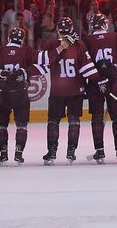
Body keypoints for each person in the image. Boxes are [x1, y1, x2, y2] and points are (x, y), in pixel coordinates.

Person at [37, 17, 99, 165]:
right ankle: (71, 152)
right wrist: (100, 80)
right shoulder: (79, 45)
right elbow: (87, 68)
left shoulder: (51, 44)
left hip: (57, 91)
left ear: (58, 29)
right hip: (75, 90)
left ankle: (52, 152)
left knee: (53, 121)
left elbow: (42, 63)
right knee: (74, 121)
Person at [0, 27, 40, 165]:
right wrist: (26, 72)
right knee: (21, 126)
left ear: (8, 38)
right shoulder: (27, 51)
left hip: (3, 95)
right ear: (22, 40)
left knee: (1, 126)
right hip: (21, 95)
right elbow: (44, 65)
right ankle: (19, 154)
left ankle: (3, 154)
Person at [82, 13, 117, 163]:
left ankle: (100, 151)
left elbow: (83, 65)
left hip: (95, 84)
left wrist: (93, 82)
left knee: (97, 118)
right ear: (105, 24)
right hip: (114, 83)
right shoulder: (116, 37)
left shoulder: (86, 41)